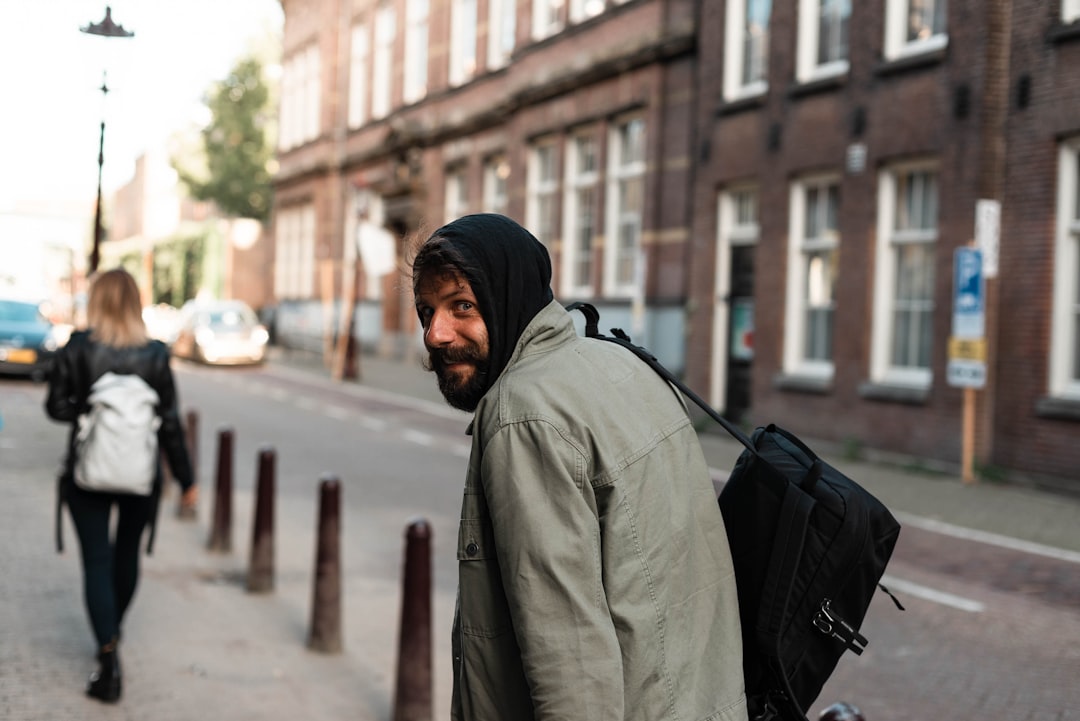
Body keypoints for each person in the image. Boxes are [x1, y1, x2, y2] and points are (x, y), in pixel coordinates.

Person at [410, 213, 748, 721]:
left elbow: (570, 658)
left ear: (509, 296)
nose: (436, 333)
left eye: (462, 305)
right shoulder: (627, 364)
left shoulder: (522, 414)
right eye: (426, 311)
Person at [45, 268, 197, 704]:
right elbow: (169, 422)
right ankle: (112, 630)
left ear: (97, 302)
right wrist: (186, 480)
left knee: (96, 561)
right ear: (134, 303)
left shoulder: (77, 348)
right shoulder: (154, 354)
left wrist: (88, 409)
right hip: (140, 476)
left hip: (87, 473)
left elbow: (54, 407)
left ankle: (108, 658)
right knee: (126, 554)